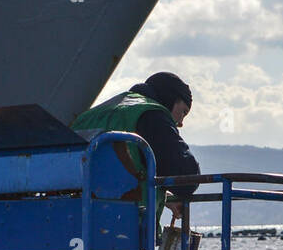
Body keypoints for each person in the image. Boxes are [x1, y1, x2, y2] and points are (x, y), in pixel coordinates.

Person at [70, 71, 201, 220]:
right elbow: (186, 177)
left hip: (73, 217)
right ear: (171, 99)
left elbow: (104, 172)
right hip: (125, 223)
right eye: (183, 112)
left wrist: (164, 195)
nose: (181, 122)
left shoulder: (89, 116)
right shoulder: (151, 114)